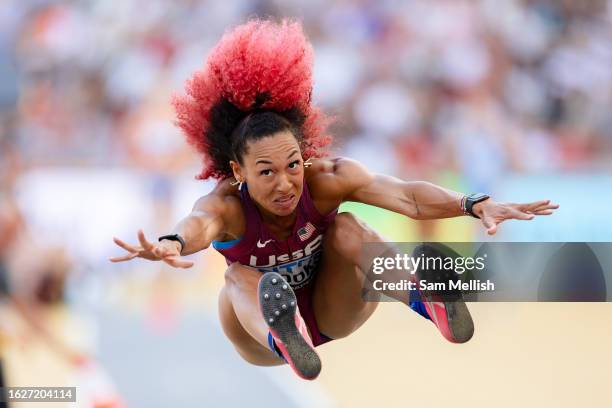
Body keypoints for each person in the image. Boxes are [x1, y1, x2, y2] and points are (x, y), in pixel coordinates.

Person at [110, 20, 559, 380]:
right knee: (238, 277)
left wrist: (473, 203)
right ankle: (284, 335)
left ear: (304, 156)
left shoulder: (325, 179)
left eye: (292, 164)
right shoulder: (225, 205)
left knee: (348, 227)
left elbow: (408, 198)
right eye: (266, 173)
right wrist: (172, 241)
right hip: (259, 341)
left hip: (333, 308)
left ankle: (425, 299)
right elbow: (197, 226)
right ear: (237, 172)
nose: (285, 183)